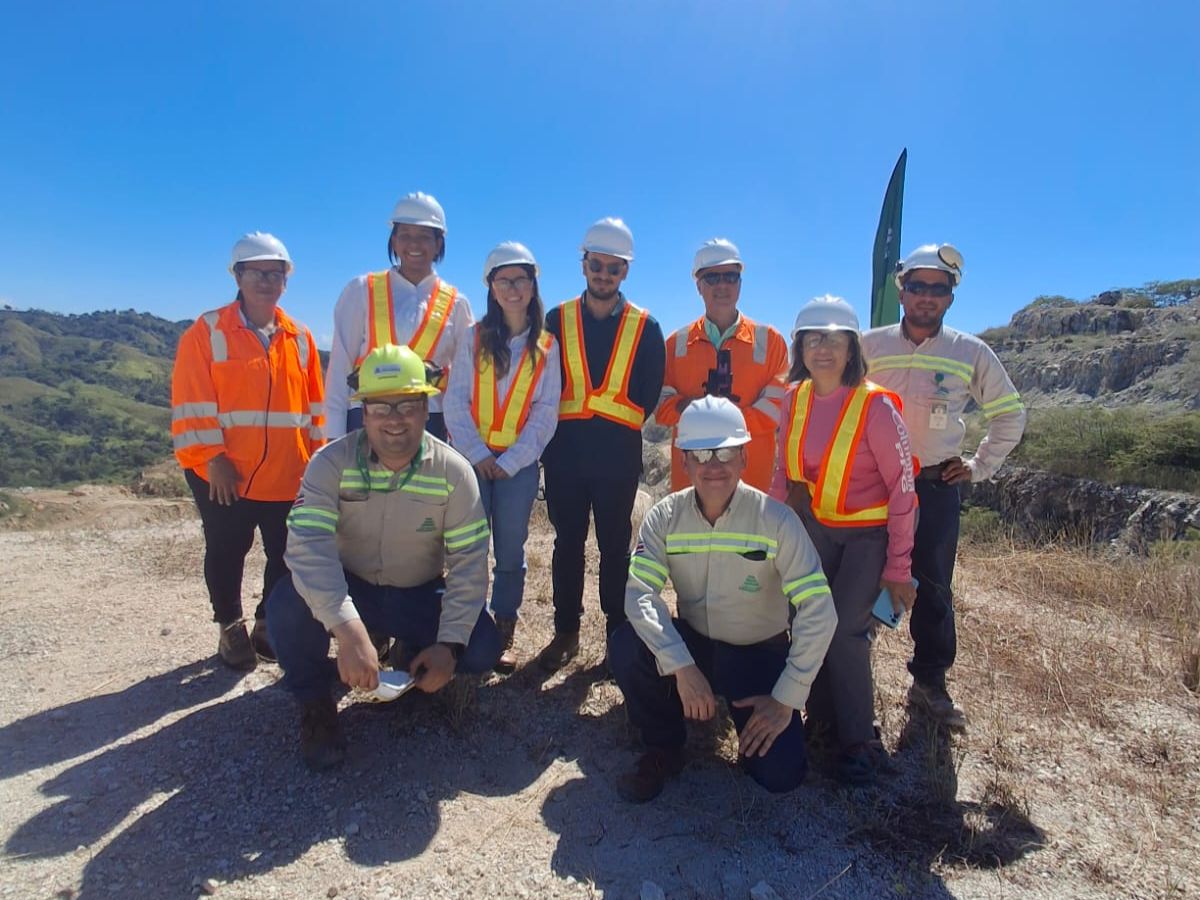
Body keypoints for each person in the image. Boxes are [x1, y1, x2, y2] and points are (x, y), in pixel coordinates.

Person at [267, 344, 500, 770]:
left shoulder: (454, 472)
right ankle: (316, 703)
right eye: (381, 407)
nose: (395, 419)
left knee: (481, 645)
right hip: (351, 590)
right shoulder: (330, 463)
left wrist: (449, 643)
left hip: (416, 593)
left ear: (427, 406)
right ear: (364, 411)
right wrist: (345, 627)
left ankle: (413, 662)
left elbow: (469, 563)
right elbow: (306, 548)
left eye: (408, 405)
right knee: (285, 606)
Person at [609, 397, 836, 802]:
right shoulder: (663, 517)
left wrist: (786, 697)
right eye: (701, 453)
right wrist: (680, 665)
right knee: (627, 645)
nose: (714, 465)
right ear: (684, 462)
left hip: (758, 655)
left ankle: (750, 725)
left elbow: (819, 609)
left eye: (727, 452)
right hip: (694, 646)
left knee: (780, 775)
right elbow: (639, 594)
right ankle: (663, 746)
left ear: (745, 457)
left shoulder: (777, 520)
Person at [861, 244, 1026, 731]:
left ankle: (929, 684)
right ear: (901, 290)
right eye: (917, 286)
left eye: (939, 289)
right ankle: (848, 673)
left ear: (951, 297)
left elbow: (1009, 415)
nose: (926, 297)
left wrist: (978, 466)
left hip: (932, 487)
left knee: (932, 588)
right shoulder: (869, 345)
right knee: (858, 576)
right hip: (870, 486)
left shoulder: (970, 352)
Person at [770, 295, 917, 783]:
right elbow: (781, 476)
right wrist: (769, 536)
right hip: (816, 530)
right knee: (807, 618)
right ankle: (820, 721)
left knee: (847, 634)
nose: (823, 348)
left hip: (867, 537)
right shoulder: (793, 398)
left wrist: (898, 568)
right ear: (801, 348)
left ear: (852, 347)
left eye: (834, 338)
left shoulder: (875, 406)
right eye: (813, 338)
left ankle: (859, 742)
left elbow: (903, 491)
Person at [171, 232, 325, 671]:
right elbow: (190, 401)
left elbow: (315, 409)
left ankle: (265, 625)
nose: (266, 280)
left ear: (285, 281)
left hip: (286, 472)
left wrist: (317, 463)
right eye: (257, 272)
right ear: (237, 276)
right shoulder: (207, 332)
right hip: (224, 473)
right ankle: (230, 628)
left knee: (285, 554)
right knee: (226, 549)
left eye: (276, 273)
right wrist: (211, 457)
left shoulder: (300, 337)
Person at [537, 217, 666, 671]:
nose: (604, 274)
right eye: (597, 264)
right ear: (584, 264)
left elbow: (649, 392)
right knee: (566, 543)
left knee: (615, 547)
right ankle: (566, 632)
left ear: (625, 272)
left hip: (616, 456)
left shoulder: (645, 327)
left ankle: (617, 635)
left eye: (614, 268)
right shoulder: (556, 319)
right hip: (565, 455)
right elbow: (542, 381)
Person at [443, 242, 561, 673]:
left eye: (521, 280)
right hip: (471, 463)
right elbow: (455, 401)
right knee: (468, 547)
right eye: (503, 280)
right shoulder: (472, 339)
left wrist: (509, 461)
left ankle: (503, 626)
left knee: (510, 551)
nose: (513, 288)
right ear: (491, 287)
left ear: (533, 286)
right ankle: (467, 627)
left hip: (518, 467)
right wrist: (477, 455)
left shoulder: (547, 346)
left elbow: (546, 413)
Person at [324, 191, 473, 441]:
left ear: (438, 243)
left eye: (424, 236)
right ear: (393, 241)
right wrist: (333, 438)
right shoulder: (361, 290)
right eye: (405, 235)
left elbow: (463, 382)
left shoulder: (457, 304)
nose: (414, 244)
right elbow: (339, 369)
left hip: (430, 422)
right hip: (367, 417)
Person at [654, 238, 789, 492]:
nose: (722, 285)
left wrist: (712, 423)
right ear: (698, 285)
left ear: (740, 282)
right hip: (690, 486)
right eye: (712, 278)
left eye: (730, 276)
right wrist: (699, 411)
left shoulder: (771, 342)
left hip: (750, 484)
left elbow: (777, 408)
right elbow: (662, 406)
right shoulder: (674, 344)